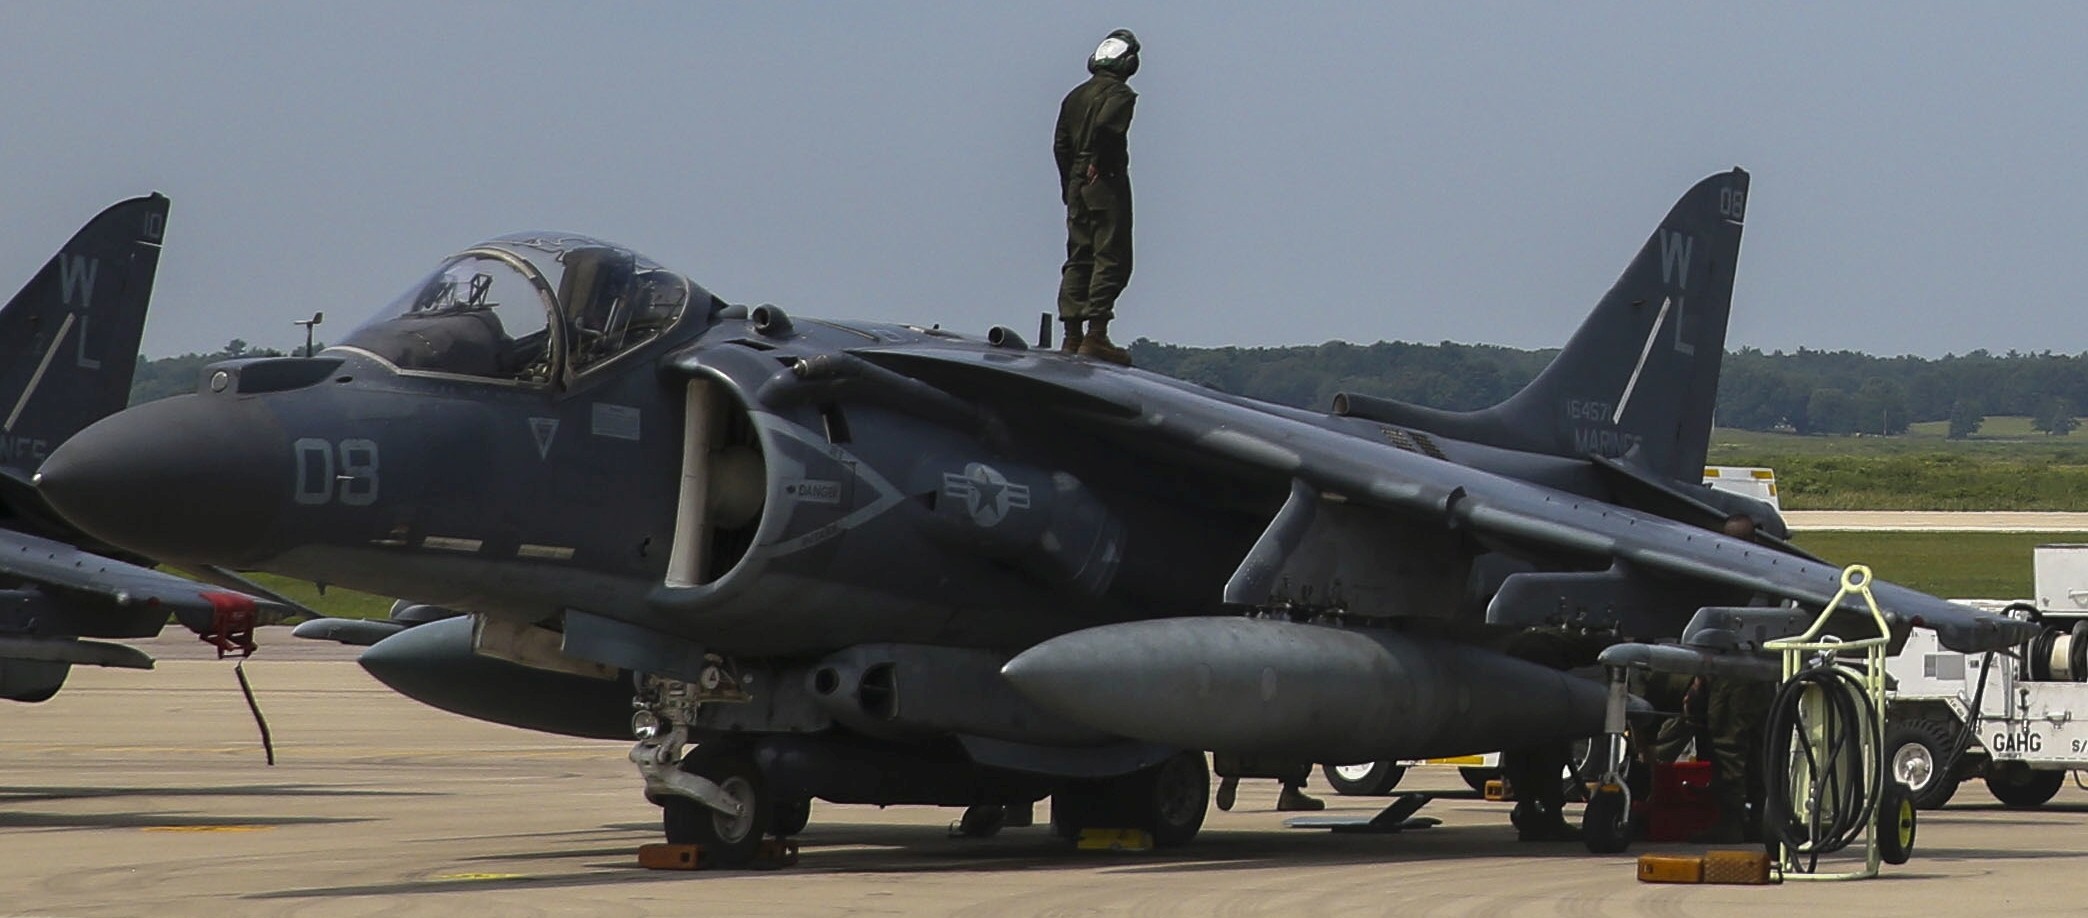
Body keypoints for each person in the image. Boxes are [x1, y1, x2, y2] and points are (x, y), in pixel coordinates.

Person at [1054, 29, 1140, 366]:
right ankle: (1096, 334)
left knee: (1078, 254)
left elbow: (1060, 144)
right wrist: (1098, 163)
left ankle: (1071, 334)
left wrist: (1070, 182)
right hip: (1105, 180)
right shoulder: (1120, 94)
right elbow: (1106, 127)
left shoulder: (1075, 96)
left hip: (1076, 181)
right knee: (1111, 254)